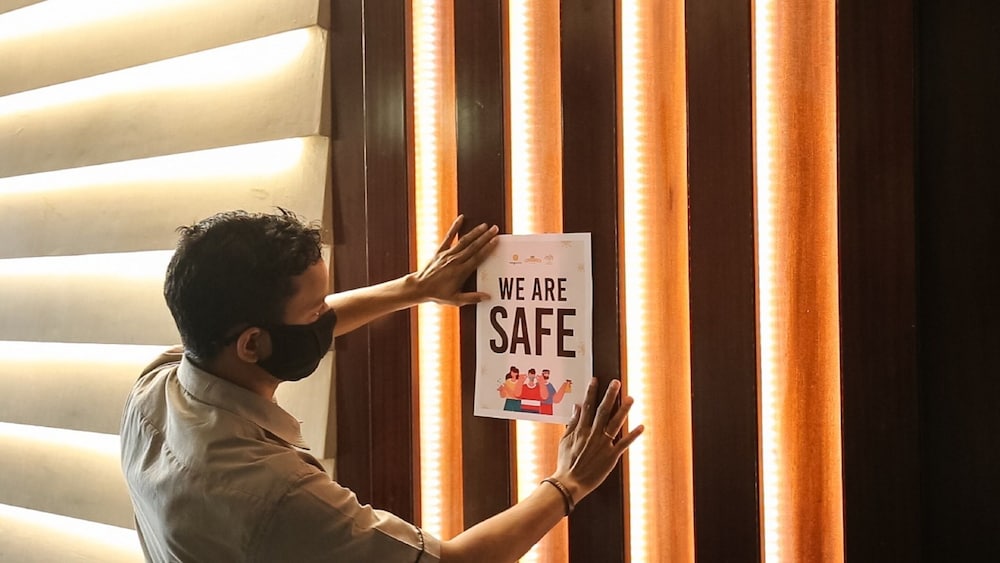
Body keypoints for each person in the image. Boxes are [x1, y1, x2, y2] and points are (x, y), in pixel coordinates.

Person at [120, 209, 643, 562]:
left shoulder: (156, 388)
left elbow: (300, 330)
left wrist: (414, 288)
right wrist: (568, 484)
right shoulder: (278, 494)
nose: (327, 317)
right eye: (316, 311)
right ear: (252, 344)